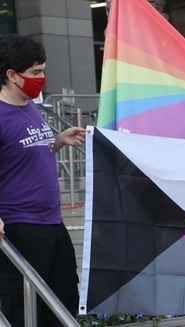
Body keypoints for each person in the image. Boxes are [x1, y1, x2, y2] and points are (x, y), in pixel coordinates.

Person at [0, 34, 85, 326]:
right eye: (35, 72)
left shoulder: (30, 106)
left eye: (43, 70)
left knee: (62, 307)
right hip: (20, 227)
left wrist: (59, 140)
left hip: (52, 223)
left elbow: (23, 152)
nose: (42, 78)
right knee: (25, 311)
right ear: (12, 74)